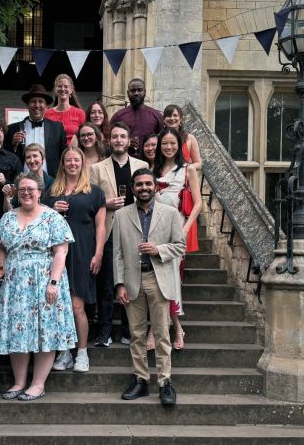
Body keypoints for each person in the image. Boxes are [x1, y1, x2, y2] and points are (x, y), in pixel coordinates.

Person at [0, 172, 76, 401]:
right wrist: (1, 266)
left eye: (31, 189)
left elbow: (61, 251)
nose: (26, 193)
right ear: (17, 193)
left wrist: (53, 283)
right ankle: (19, 382)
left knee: (45, 330)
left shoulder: (52, 217)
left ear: (40, 192)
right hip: (15, 283)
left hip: (45, 280)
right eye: (22, 189)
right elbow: (1, 247)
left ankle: (38, 384)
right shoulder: (8, 217)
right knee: (17, 330)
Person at [114, 168, 185, 407]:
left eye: (147, 184)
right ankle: (141, 380)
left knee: (162, 334)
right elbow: (117, 254)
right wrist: (119, 284)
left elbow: (180, 246)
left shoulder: (170, 213)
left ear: (155, 187)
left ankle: (165, 383)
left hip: (158, 279)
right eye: (139, 184)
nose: (143, 188)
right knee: (136, 335)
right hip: (132, 281)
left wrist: (158, 250)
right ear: (133, 188)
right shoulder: (121, 215)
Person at [44, 147, 106, 373]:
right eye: (68, 160)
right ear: (62, 163)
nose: (72, 163)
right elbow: (39, 220)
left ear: (82, 163)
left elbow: (101, 226)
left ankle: (82, 352)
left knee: (76, 305)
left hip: (82, 252)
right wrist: (51, 208)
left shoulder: (94, 192)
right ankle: (65, 352)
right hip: (55, 254)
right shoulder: (52, 191)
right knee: (58, 306)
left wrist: (98, 253)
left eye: (76, 160)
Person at [90, 122, 148, 347]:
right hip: (108, 229)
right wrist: (107, 203)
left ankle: (128, 330)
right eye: (114, 136)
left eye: (122, 136)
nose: (118, 140)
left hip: (134, 228)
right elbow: (91, 200)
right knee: (106, 283)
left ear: (128, 139)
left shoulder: (142, 165)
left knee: (131, 281)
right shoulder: (97, 168)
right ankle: (104, 331)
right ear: (109, 140)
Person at [152, 127, 202, 351]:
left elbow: (198, 204)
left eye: (172, 143)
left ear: (178, 146)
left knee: (170, 281)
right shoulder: (153, 169)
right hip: (154, 230)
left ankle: (177, 328)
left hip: (175, 231)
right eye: (164, 143)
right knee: (153, 282)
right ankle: (156, 329)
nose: (169, 147)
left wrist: (185, 229)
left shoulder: (188, 169)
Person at [4, 84, 67, 178]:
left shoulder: (57, 128)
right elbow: (5, 156)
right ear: (27, 105)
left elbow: (64, 154)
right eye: (33, 101)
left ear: (46, 106)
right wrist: (14, 145)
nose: (37, 105)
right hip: (22, 181)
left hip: (51, 181)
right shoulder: (13, 129)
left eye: (41, 102)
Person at [109, 79, 164, 158]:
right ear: (128, 93)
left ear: (145, 92)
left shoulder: (156, 115)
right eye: (133, 91)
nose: (136, 93)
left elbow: (163, 139)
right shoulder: (118, 116)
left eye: (140, 90)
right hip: (124, 160)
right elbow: (108, 138)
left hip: (150, 161)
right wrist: (126, 141)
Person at [2, 143, 54, 213]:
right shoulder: (20, 182)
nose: (32, 160)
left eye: (35, 156)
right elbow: (9, 212)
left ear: (43, 159)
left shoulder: (53, 183)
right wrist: (7, 197)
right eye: (28, 157)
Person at [44, 74, 86, 144]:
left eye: (66, 86)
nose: (63, 89)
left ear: (71, 90)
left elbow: (84, 136)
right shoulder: (47, 114)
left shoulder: (80, 113)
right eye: (59, 86)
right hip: (53, 150)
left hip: (74, 150)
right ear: (55, 89)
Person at [163, 104, 202, 172]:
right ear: (164, 119)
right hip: (164, 175)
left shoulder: (190, 138)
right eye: (169, 116)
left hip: (184, 176)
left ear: (180, 119)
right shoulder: (159, 138)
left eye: (175, 115)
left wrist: (184, 168)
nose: (172, 118)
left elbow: (198, 164)